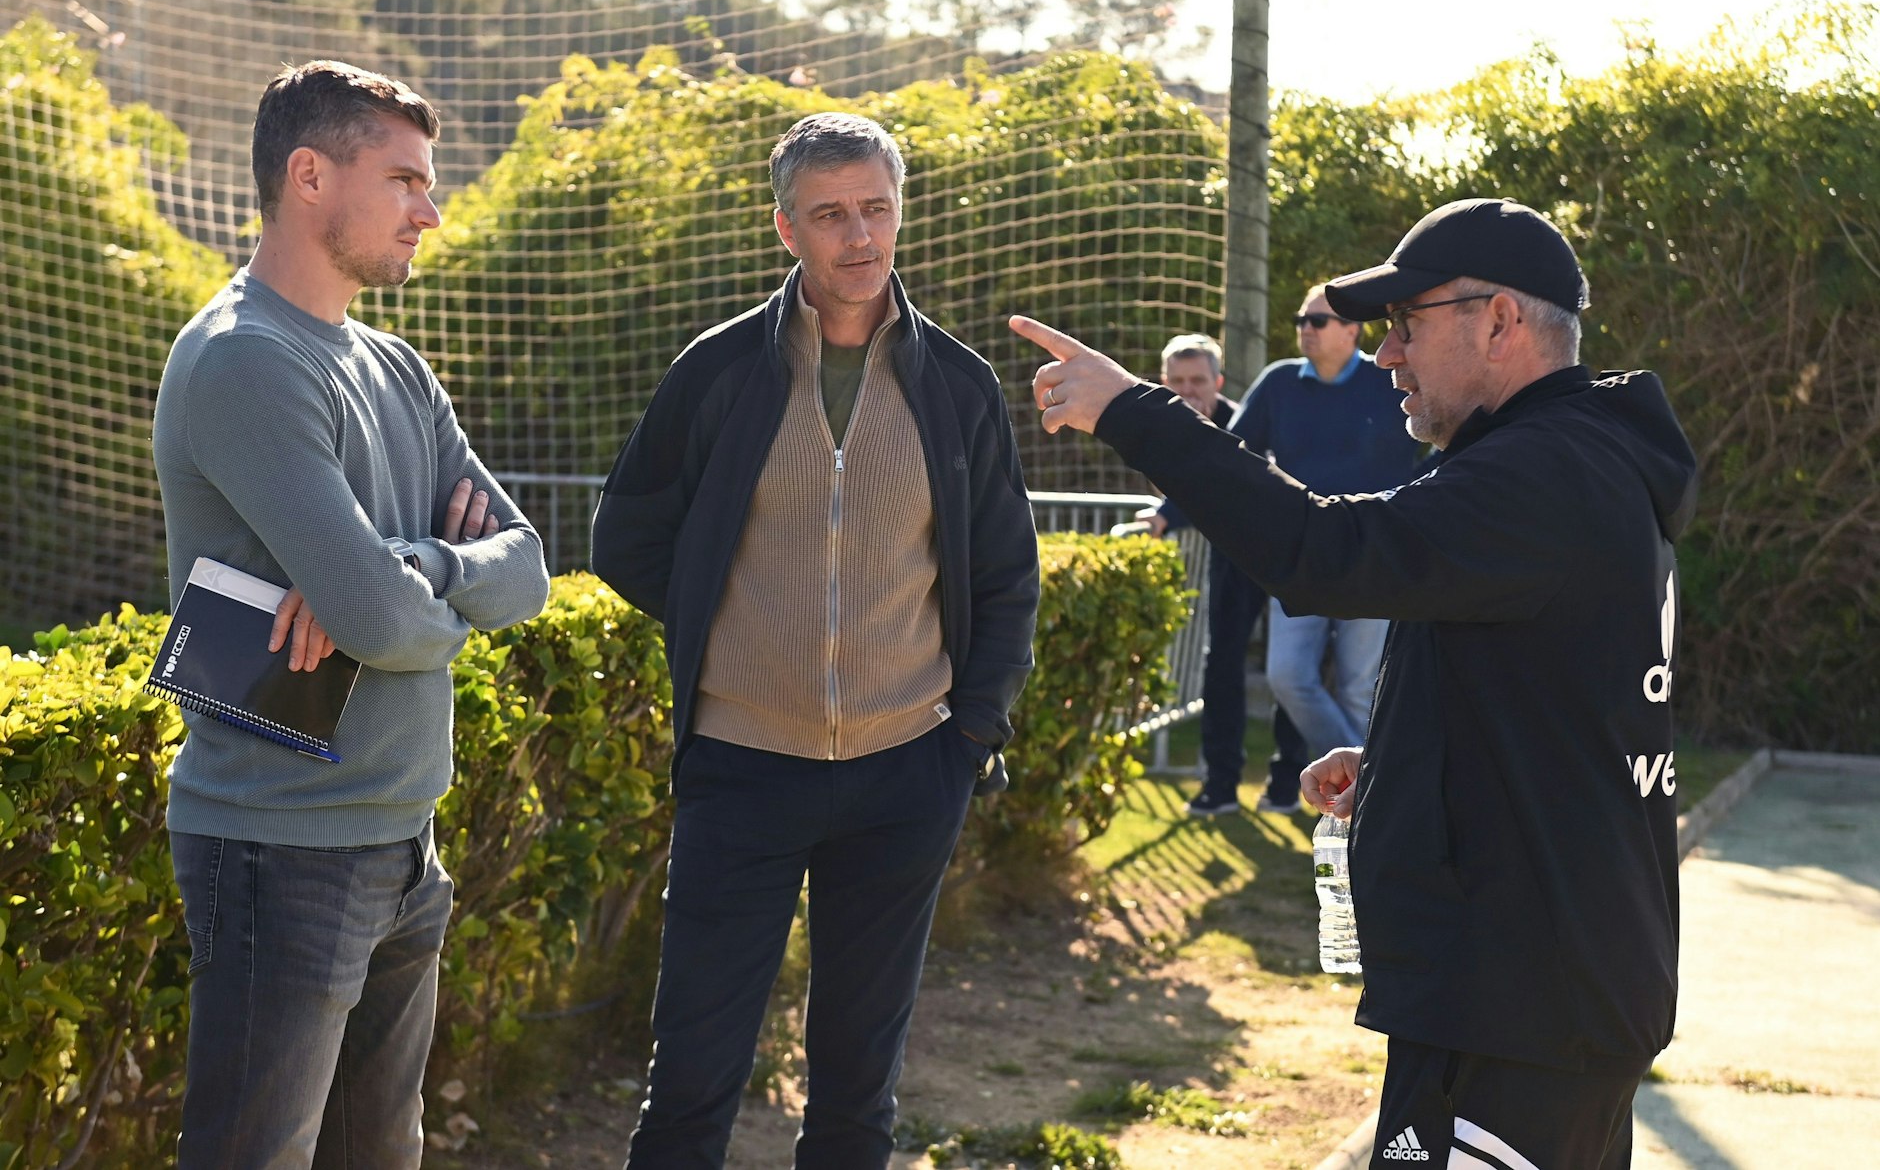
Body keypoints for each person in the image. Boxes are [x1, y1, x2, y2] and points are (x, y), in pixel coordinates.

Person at [1014, 197, 1696, 1169]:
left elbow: (1324, 552)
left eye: (1406, 323)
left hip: (1519, 1008)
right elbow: (1557, 701)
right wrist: (1403, 760)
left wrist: (1133, 410)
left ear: (1499, 319)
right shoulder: (1572, 461)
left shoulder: (1544, 473)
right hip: (1536, 993)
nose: (1385, 355)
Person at [591, 111, 1039, 1169]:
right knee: (689, 1086)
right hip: (740, 768)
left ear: (900, 212)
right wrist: (731, 625)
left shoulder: (957, 384)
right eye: (830, 214)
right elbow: (627, 536)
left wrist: (967, 736)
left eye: (876, 208)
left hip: (906, 773)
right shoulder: (716, 370)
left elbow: (1005, 577)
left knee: (855, 1097)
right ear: (785, 228)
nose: (859, 235)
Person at [151, 61, 550, 1168]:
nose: (431, 210)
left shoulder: (398, 368)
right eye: (405, 180)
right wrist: (398, 591)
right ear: (311, 176)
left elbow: (526, 569)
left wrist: (417, 561)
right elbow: (377, 623)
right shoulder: (245, 358)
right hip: (278, 846)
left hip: (405, 842)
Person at [1187, 286, 1423, 818]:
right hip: (1302, 555)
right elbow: (1229, 456)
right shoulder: (1278, 383)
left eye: (1317, 321)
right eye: (1301, 320)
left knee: (1360, 688)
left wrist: (1417, 509)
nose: (1305, 329)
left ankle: (1364, 810)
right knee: (1288, 675)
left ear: (1351, 331)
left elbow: (1444, 444)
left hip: (1377, 556)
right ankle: (1375, 784)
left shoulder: (1390, 379)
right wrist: (1169, 512)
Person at [1124, 335, 1309, 818]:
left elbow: (1220, 483)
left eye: (1198, 381)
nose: (1188, 391)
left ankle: (1287, 783)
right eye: (1177, 381)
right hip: (1233, 557)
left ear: (1218, 382)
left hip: (1284, 552)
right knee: (1221, 665)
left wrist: (1166, 515)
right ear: (1163, 382)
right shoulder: (1159, 423)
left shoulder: (1245, 422)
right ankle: (1221, 785)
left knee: (1290, 668)